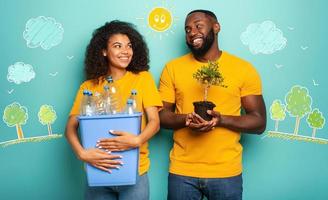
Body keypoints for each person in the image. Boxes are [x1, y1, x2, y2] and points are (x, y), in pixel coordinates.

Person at [159, 10, 266, 200]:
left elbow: (259, 123)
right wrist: (187, 119)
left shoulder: (243, 69)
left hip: (226, 172)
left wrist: (221, 119)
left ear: (216, 27)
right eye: (188, 29)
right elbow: (161, 116)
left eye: (198, 26)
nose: (192, 32)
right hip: (182, 170)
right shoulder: (172, 68)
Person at [65, 20, 162, 200]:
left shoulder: (143, 79)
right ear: (103, 51)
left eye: (129, 46)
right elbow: (70, 127)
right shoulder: (89, 86)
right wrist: (81, 153)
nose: (126, 51)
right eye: (118, 46)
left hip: (135, 172)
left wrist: (137, 140)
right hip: (97, 170)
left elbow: (155, 122)